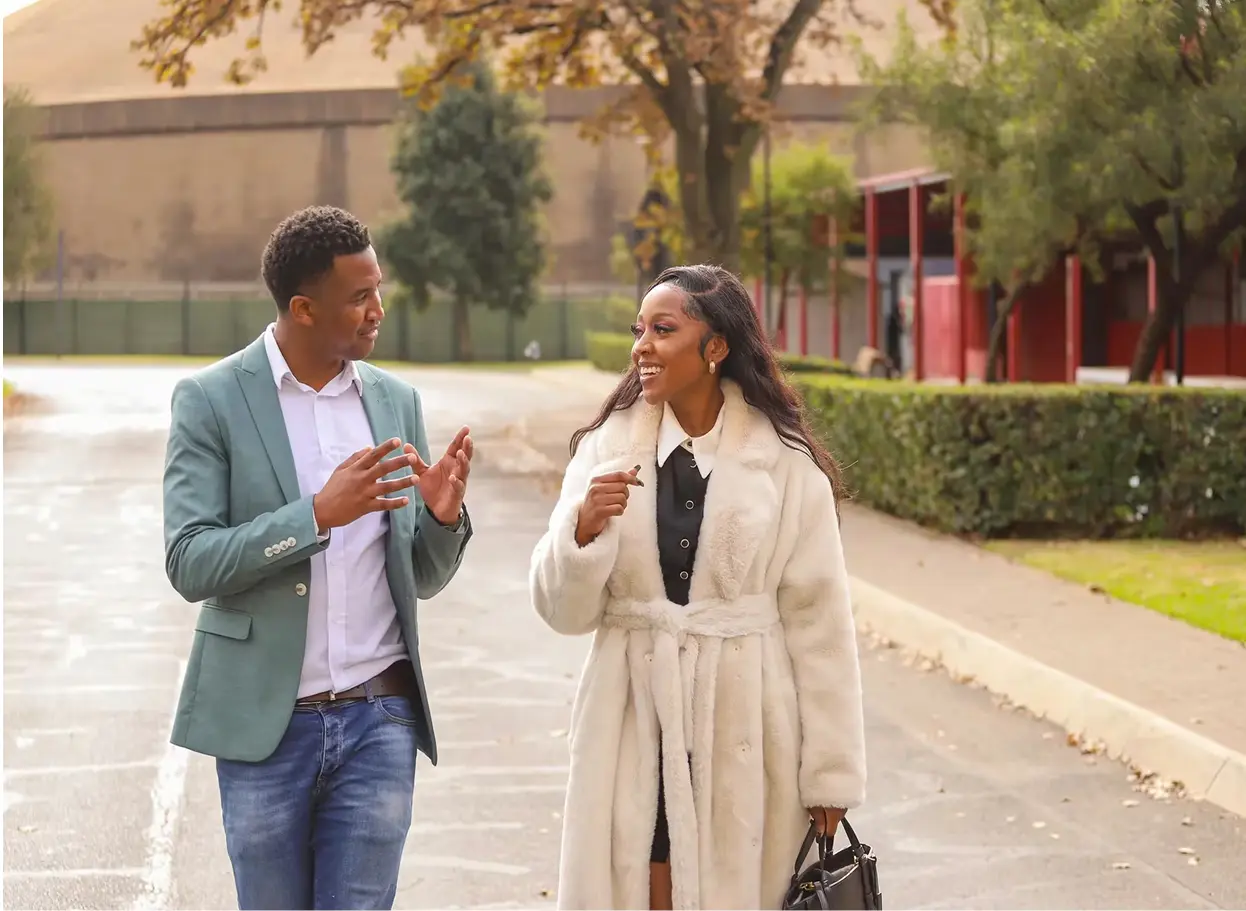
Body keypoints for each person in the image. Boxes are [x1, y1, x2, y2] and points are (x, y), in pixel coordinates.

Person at [162, 205, 474, 910]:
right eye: (359, 297)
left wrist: (442, 516)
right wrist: (314, 517)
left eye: (378, 290)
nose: (378, 310)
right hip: (266, 727)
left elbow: (421, 577)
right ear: (303, 308)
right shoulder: (211, 400)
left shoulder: (395, 400)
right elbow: (189, 559)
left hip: (379, 718)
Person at [529, 264, 867, 910]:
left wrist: (830, 774)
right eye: (639, 330)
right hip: (633, 720)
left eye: (663, 330)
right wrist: (583, 530)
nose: (642, 346)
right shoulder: (605, 450)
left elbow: (821, 624)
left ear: (715, 347)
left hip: (743, 726)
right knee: (638, 880)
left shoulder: (787, 466)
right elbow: (562, 612)